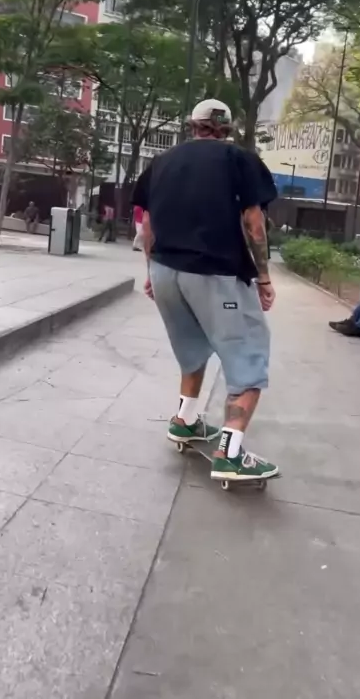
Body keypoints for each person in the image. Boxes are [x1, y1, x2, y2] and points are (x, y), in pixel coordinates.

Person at [132, 98, 279, 483]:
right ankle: (229, 454)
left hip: (165, 270)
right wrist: (263, 278)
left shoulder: (161, 162)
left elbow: (147, 226)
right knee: (249, 356)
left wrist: (151, 273)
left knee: (191, 348)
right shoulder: (238, 160)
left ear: (191, 124)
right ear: (226, 127)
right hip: (215, 273)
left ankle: (185, 420)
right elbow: (254, 222)